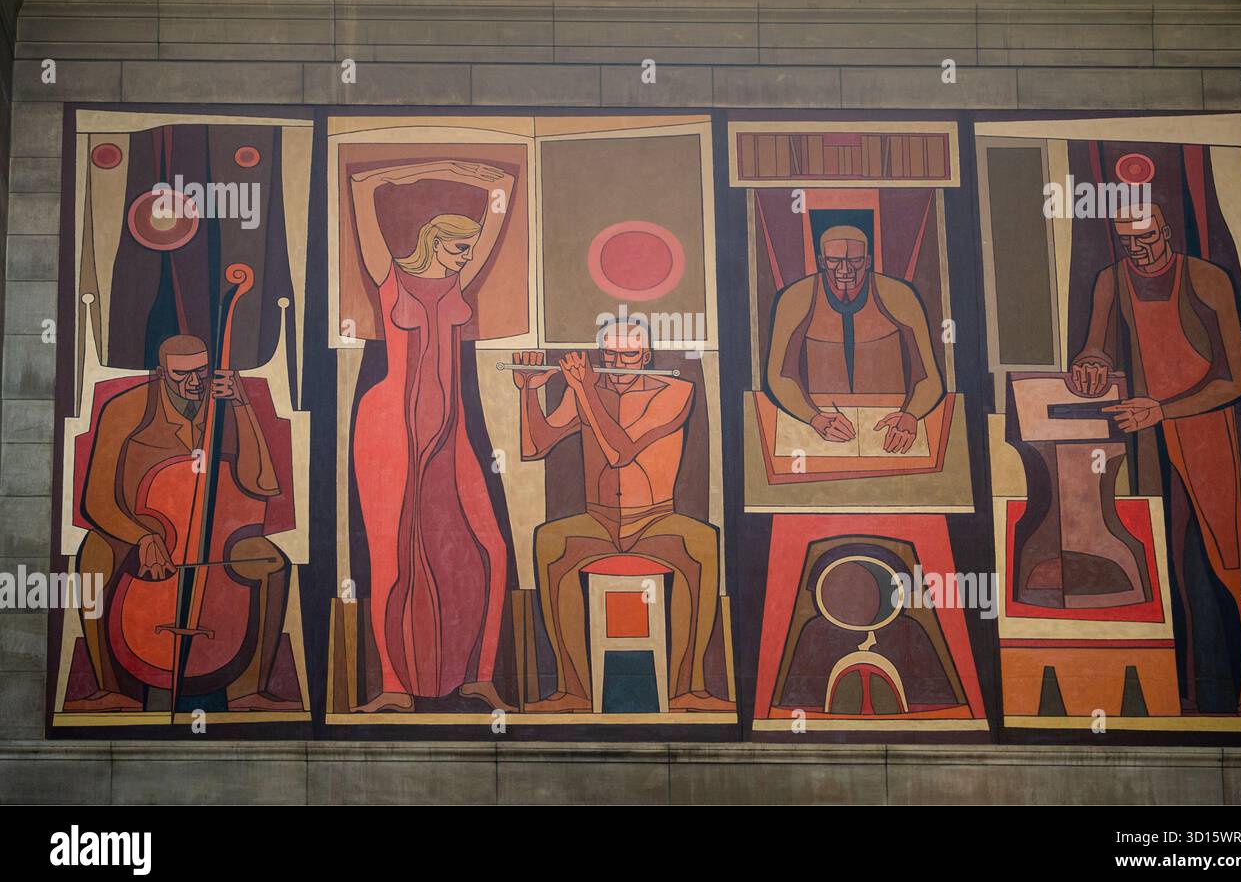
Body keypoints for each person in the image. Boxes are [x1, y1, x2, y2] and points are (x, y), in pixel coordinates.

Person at [1069, 201, 1241, 715]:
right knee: (1161, 562)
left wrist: (1162, 410)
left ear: (1166, 230)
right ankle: (1183, 692)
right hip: (1143, 440)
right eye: (1128, 243)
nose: (1140, 251)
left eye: (1149, 239)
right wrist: (1090, 364)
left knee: (1230, 562)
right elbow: (1095, 348)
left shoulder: (1207, 280)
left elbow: (1235, 379)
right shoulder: (1110, 281)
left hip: (1205, 431)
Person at [349, 160, 513, 713]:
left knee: (490, 548)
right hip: (388, 425)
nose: (467, 258)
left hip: (451, 428)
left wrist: (464, 172)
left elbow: (503, 193)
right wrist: (427, 167)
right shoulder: (388, 275)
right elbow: (361, 186)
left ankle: (480, 676)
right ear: (434, 242)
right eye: (458, 249)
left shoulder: (457, 282)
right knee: (390, 559)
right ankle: (394, 685)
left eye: (468, 251)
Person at [514, 320, 729, 712]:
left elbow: (619, 452)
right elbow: (534, 446)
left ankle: (688, 690)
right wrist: (529, 390)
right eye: (610, 354)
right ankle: (572, 692)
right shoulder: (587, 392)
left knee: (703, 543)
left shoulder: (675, 392)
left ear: (645, 356)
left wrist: (582, 389)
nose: (618, 363)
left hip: (655, 519)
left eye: (628, 354)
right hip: (599, 520)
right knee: (549, 541)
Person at [68, 333, 289, 712]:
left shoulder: (226, 404)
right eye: (181, 375)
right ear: (159, 373)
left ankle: (251, 689)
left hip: (216, 531)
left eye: (202, 373)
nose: (193, 384)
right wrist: (141, 537)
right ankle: (111, 687)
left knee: (272, 563)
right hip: (136, 527)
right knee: (92, 556)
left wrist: (241, 407)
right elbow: (97, 501)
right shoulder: (125, 409)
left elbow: (263, 484)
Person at [765, 224, 943, 453]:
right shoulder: (794, 298)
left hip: (888, 421)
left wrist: (911, 415)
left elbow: (931, 379)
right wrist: (814, 418)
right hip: (816, 421)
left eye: (855, 261)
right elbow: (777, 376)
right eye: (834, 261)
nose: (845, 269)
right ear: (821, 262)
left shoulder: (899, 296)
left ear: (867, 261)